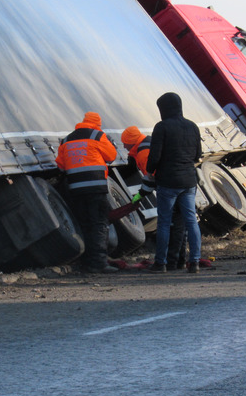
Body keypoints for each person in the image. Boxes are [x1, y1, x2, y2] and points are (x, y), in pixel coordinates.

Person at [145, 92, 203, 273]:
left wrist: (149, 170)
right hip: (188, 182)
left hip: (168, 181)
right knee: (191, 221)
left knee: (164, 222)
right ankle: (194, 262)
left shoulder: (162, 127)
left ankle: (160, 263)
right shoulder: (193, 126)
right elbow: (197, 155)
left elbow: (154, 156)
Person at [56, 111, 118, 274]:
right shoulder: (97, 135)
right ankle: (98, 263)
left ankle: (85, 262)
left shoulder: (67, 139)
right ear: (97, 124)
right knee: (99, 224)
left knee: (84, 224)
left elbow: (61, 166)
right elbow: (111, 156)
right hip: (96, 188)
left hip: (76, 189)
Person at [122, 125, 187, 270]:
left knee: (168, 225)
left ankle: (168, 262)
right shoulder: (150, 143)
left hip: (168, 189)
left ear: (131, 142)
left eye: (125, 144)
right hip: (181, 183)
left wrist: (140, 195)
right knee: (179, 224)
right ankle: (180, 261)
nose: (124, 147)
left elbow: (151, 178)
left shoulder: (143, 153)